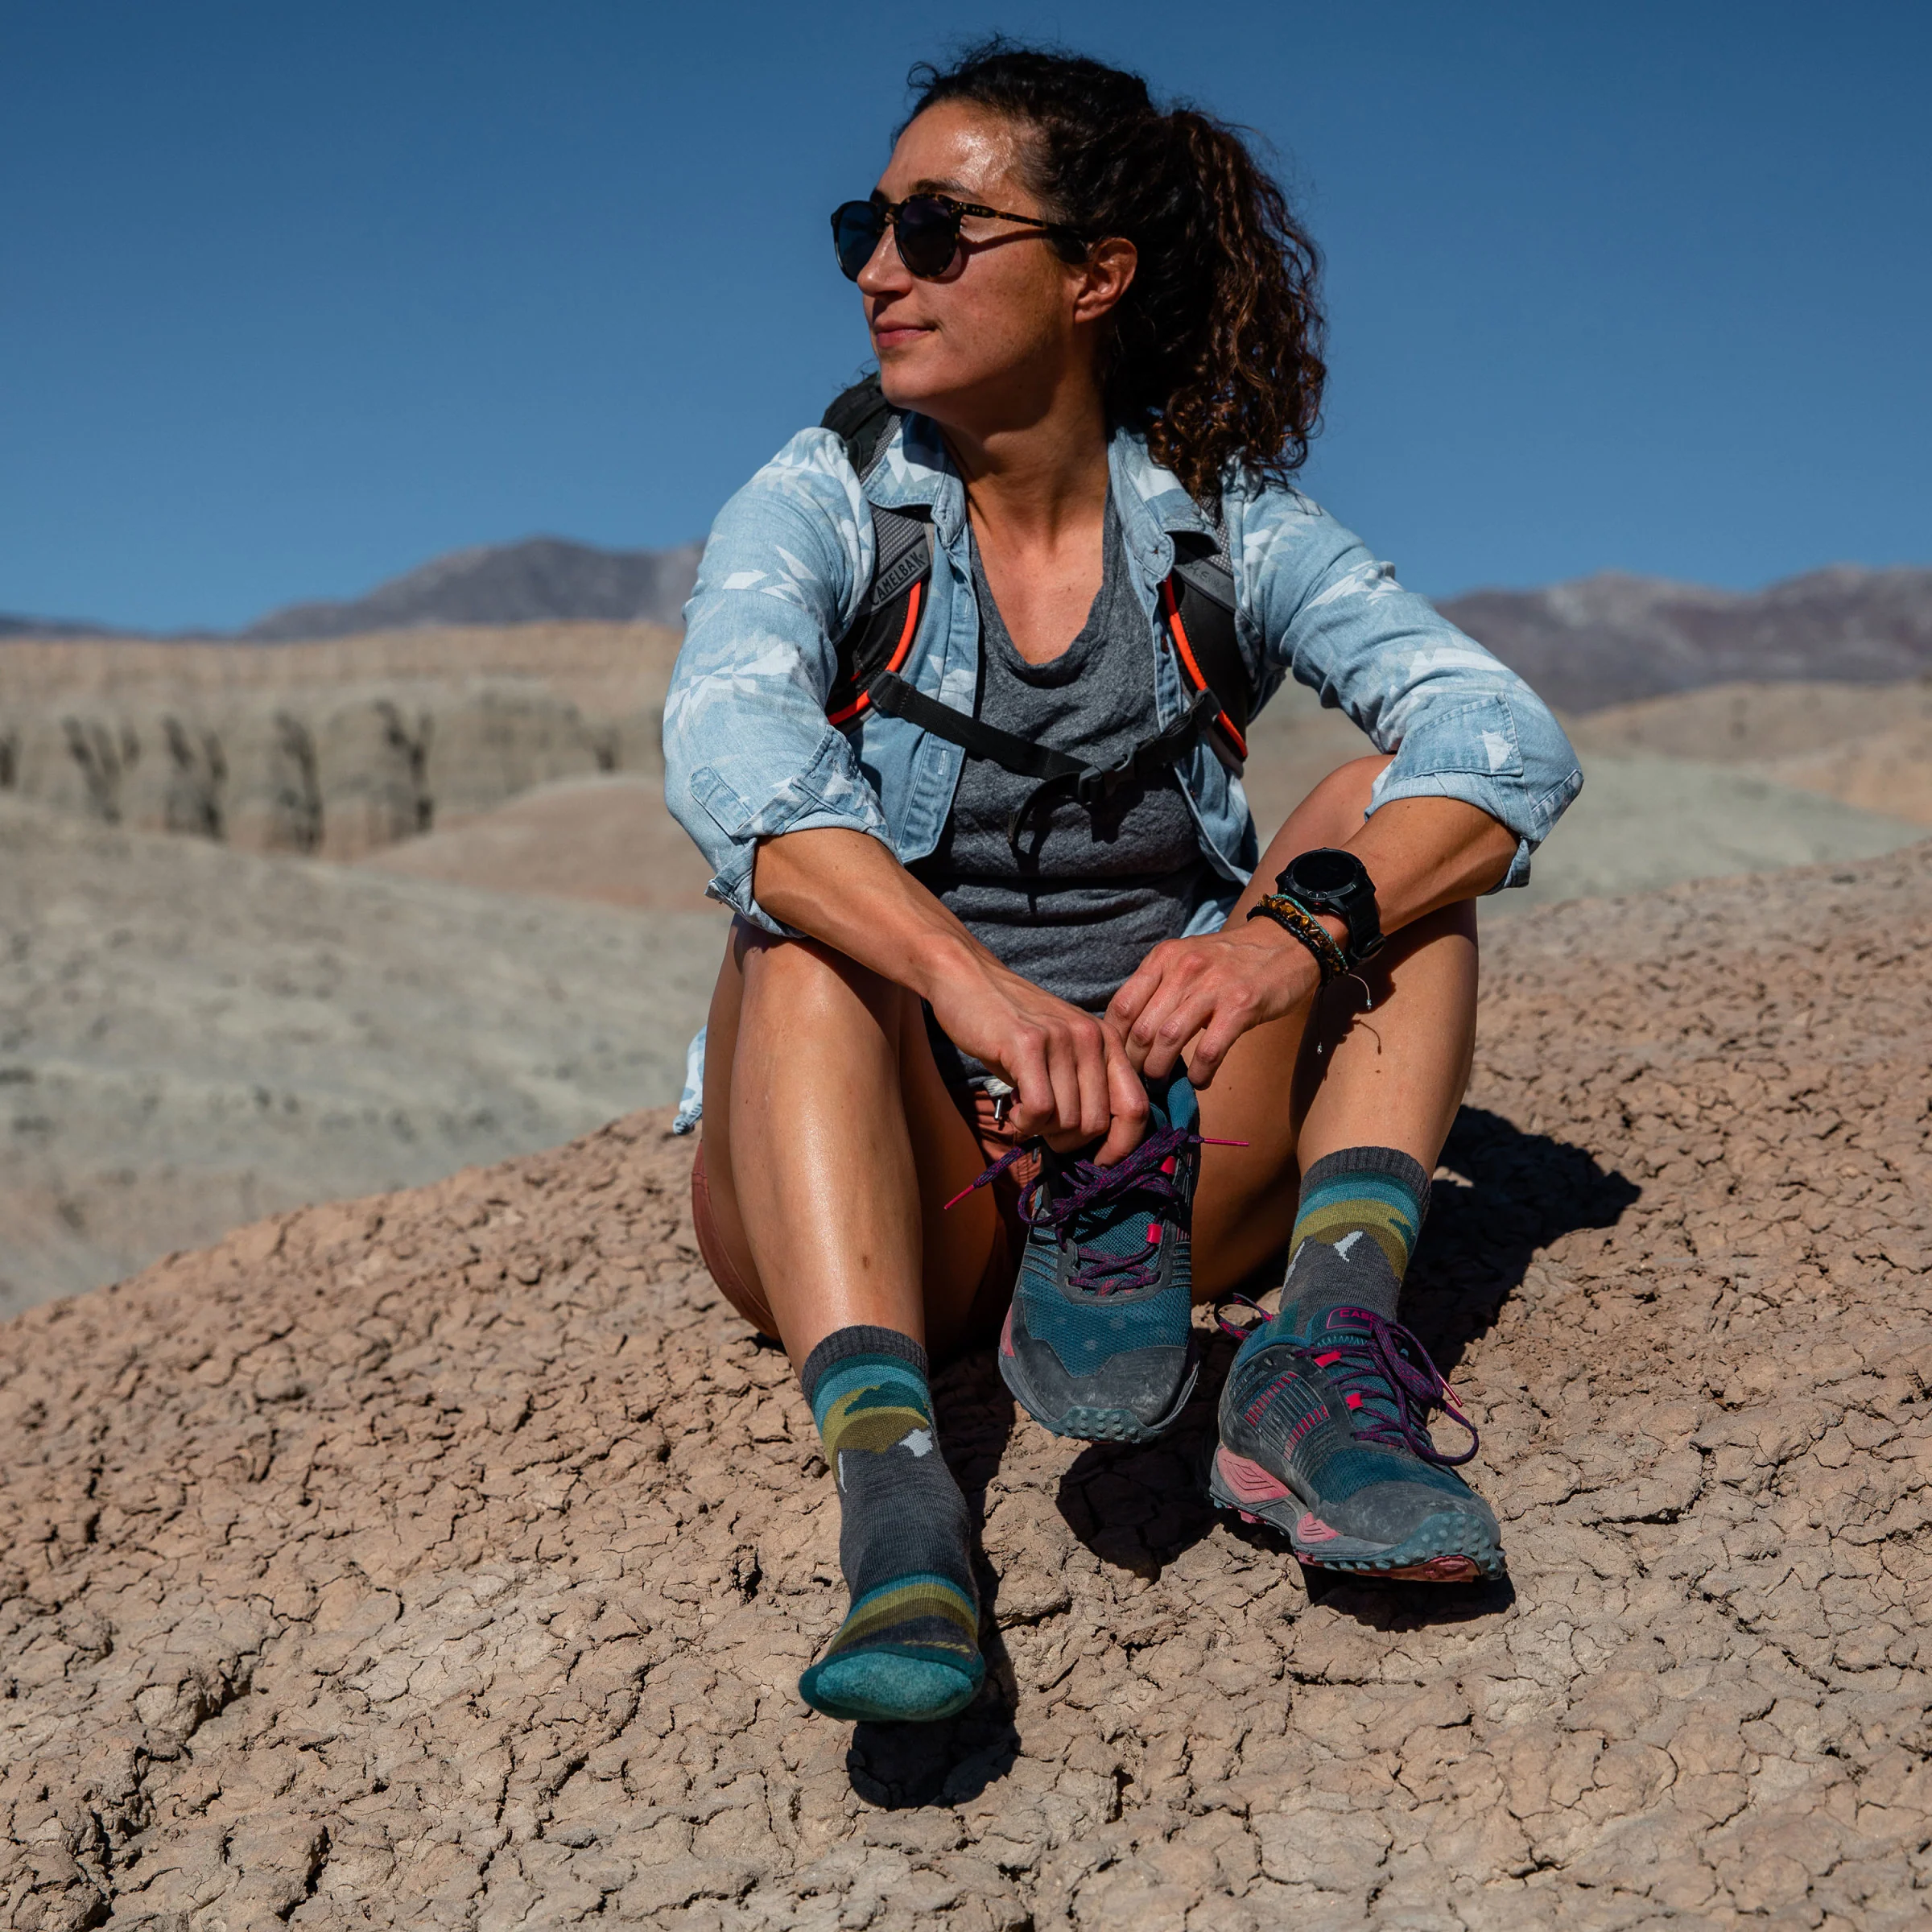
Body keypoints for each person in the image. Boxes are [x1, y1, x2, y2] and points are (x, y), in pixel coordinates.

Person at [664, 41, 1580, 1726]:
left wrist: (1282, 946)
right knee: (799, 927)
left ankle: (1317, 1367)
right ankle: (898, 1507)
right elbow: (733, 766)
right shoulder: (823, 507)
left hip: (1163, 1183)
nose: (878, 270)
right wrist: (976, 991)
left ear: (1093, 275)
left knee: (1385, 816)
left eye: (937, 230)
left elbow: (1503, 738)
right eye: (868, 226)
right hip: (899, 1194)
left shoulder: (1231, 529)